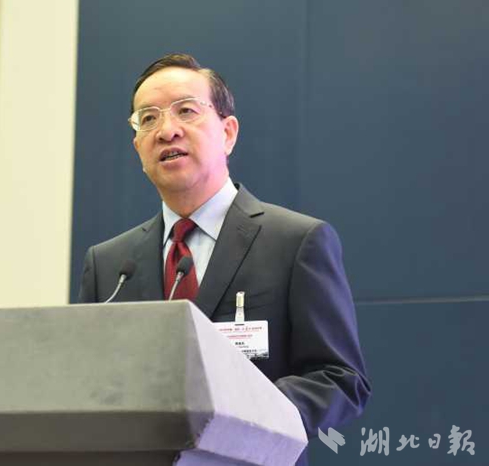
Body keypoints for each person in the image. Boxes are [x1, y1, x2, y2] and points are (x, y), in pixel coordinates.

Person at [78, 53, 371, 465]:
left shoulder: (295, 242)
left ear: (228, 133)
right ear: (138, 147)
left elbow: (339, 380)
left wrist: (238, 418)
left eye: (186, 111)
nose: (167, 131)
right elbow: (89, 389)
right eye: (148, 119)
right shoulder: (110, 266)